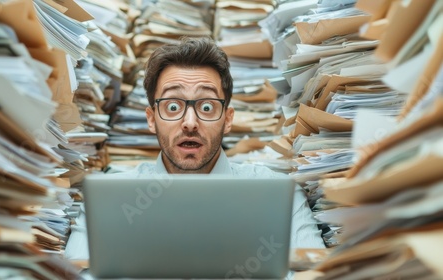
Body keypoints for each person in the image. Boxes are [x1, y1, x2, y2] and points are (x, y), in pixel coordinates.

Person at [65, 37, 325, 279]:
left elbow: (315, 274)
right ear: (151, 119)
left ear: (228, 119)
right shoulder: (109, 203)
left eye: (207, 106)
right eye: (173, 107)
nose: (190, 123)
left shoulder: (279, 198)